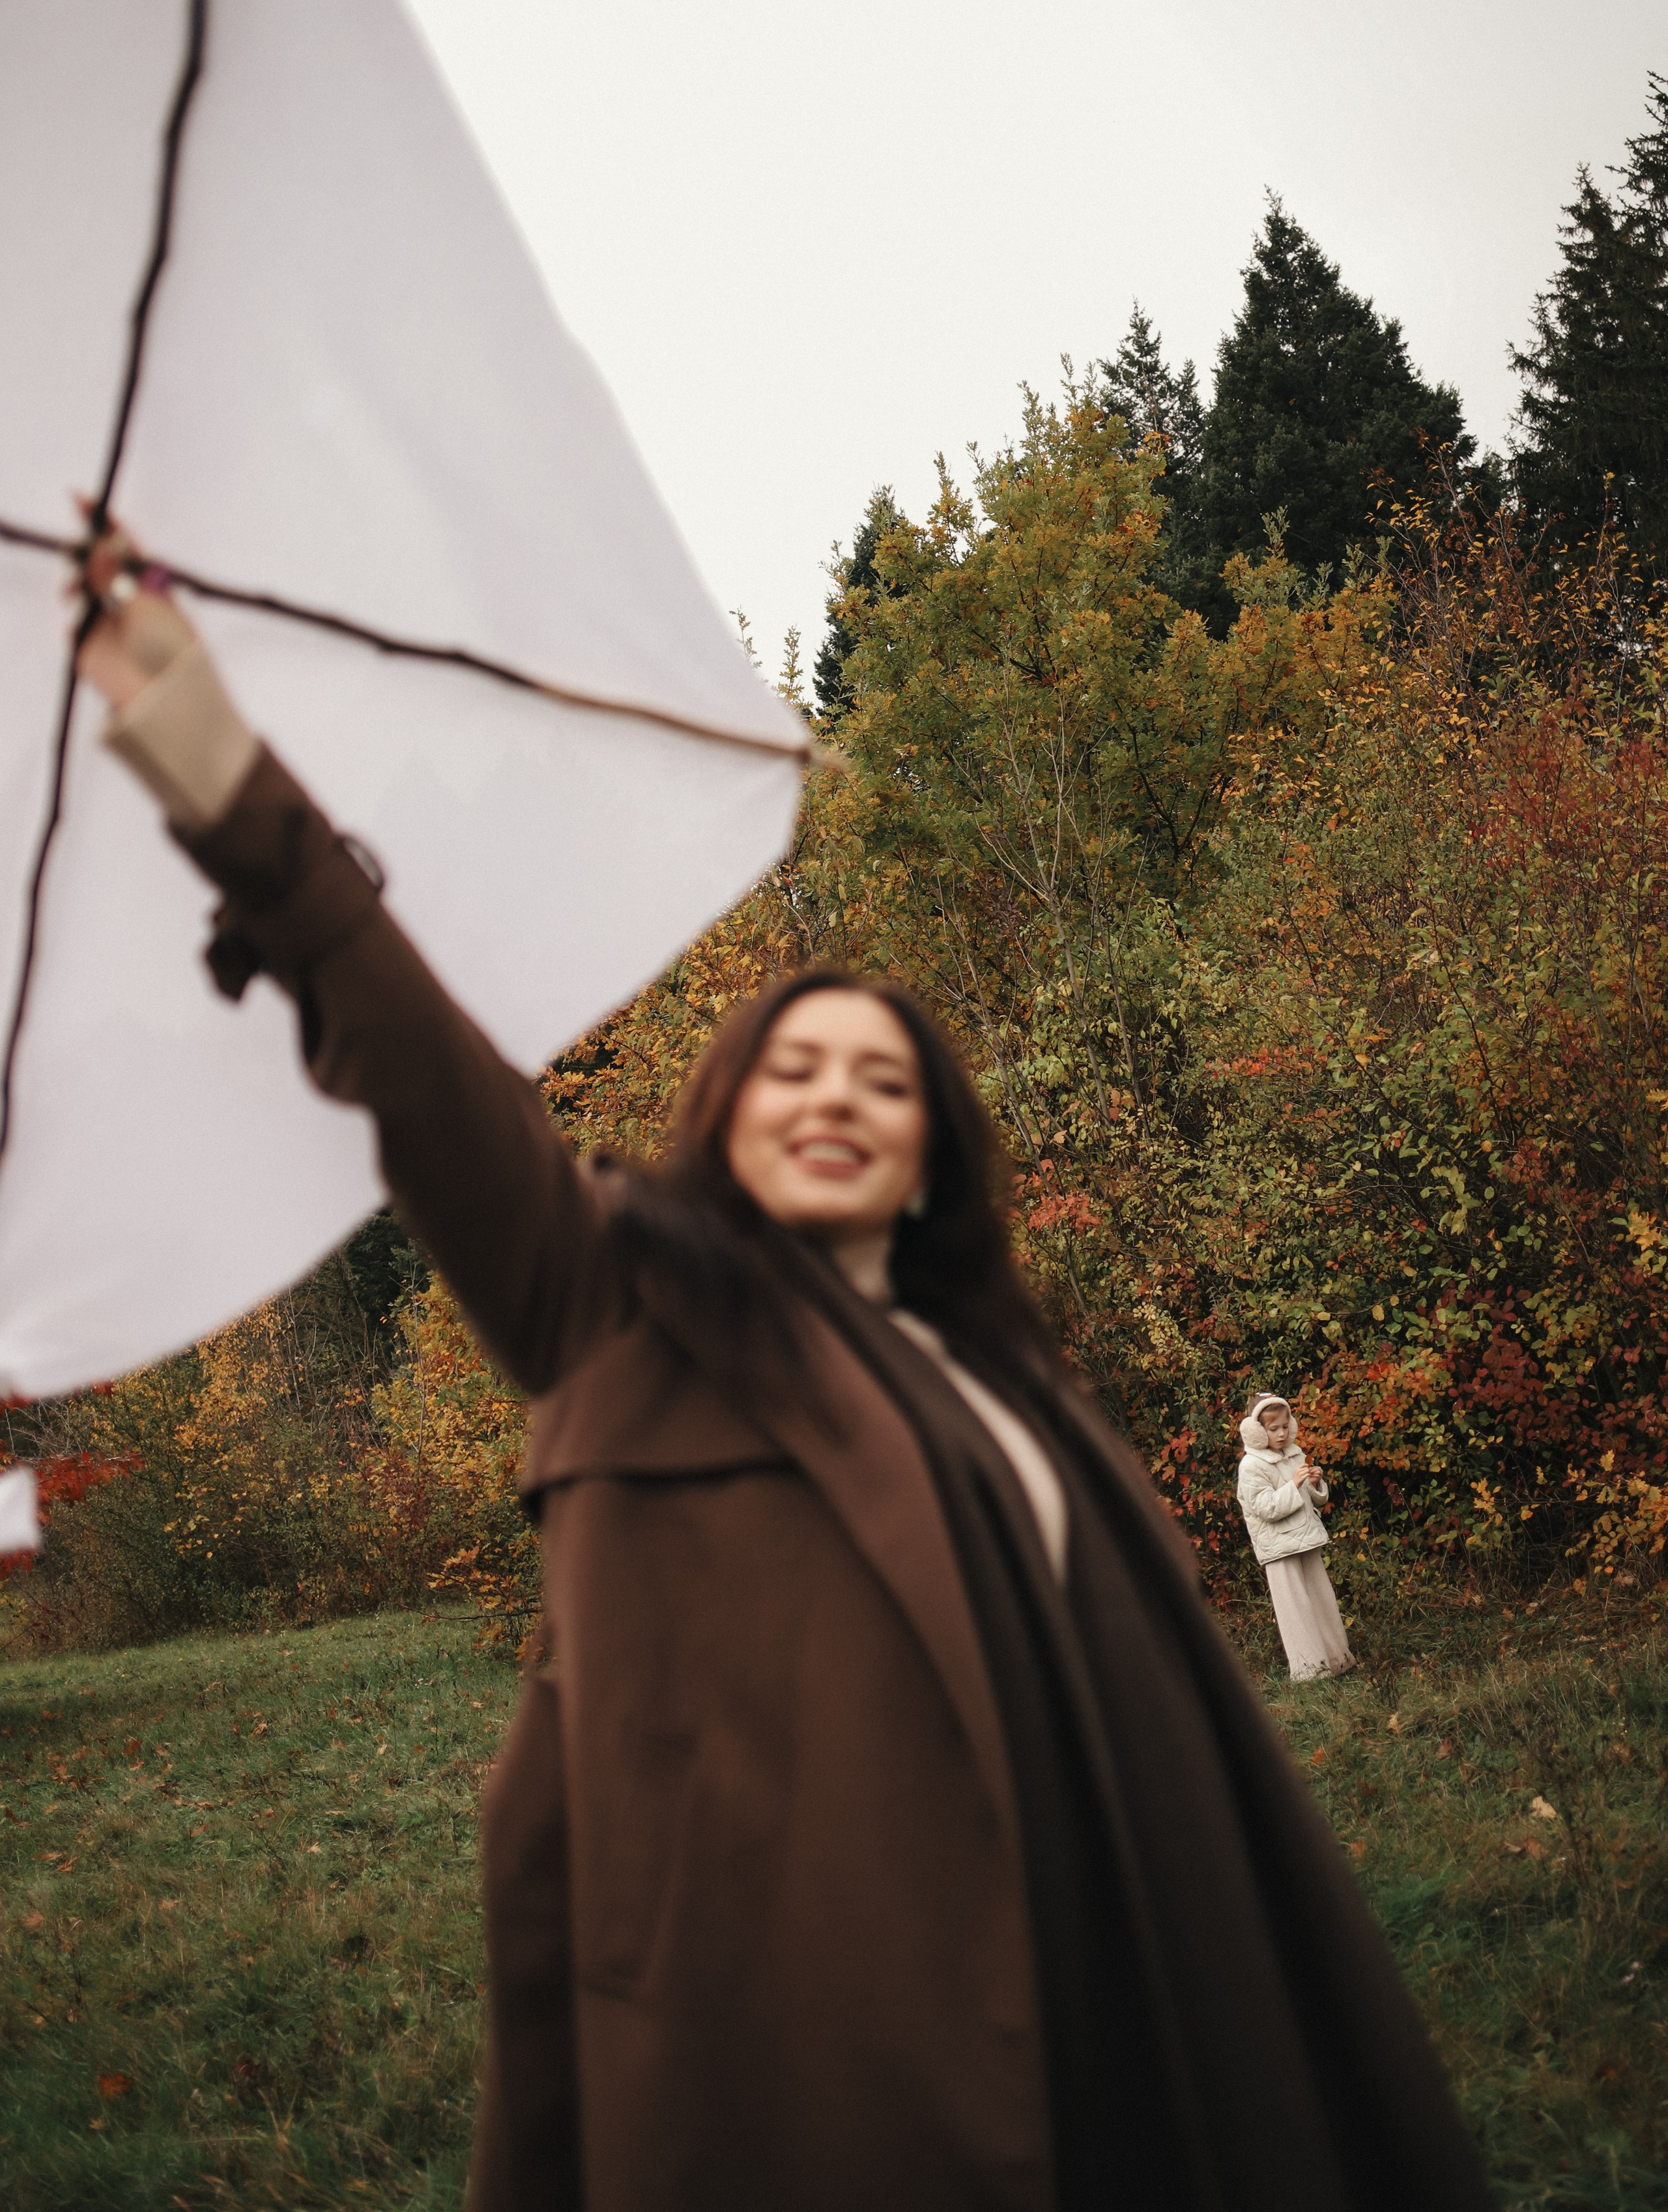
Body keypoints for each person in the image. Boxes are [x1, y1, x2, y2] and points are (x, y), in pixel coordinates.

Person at [76, 538, 1488, 2212]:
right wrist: (205, 750)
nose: (834, 1096)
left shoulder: (1008, 1379)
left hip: (1109, 2014)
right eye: (791, 1067)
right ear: (724, 1115)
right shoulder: (618, 1302)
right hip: (809, 2060)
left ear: (930, 1149)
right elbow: (430, 1078)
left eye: (882, 1080)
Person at [1237, 1393, 1355, 1681]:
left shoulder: (1295, 1454)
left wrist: (1315, 1483)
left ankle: (1338, 1660)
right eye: (1273, 1429)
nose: (1281, 1434)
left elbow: (1313, 1500)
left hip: (1306, 1539)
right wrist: (1294, 1484)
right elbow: (1265, 1508)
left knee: (1321, 1599)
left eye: (1285, 1426)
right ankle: (1310, 1672)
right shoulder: (1251, 1465)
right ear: (1256, 1431)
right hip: (1279, 1548)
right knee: (1295, 1610)